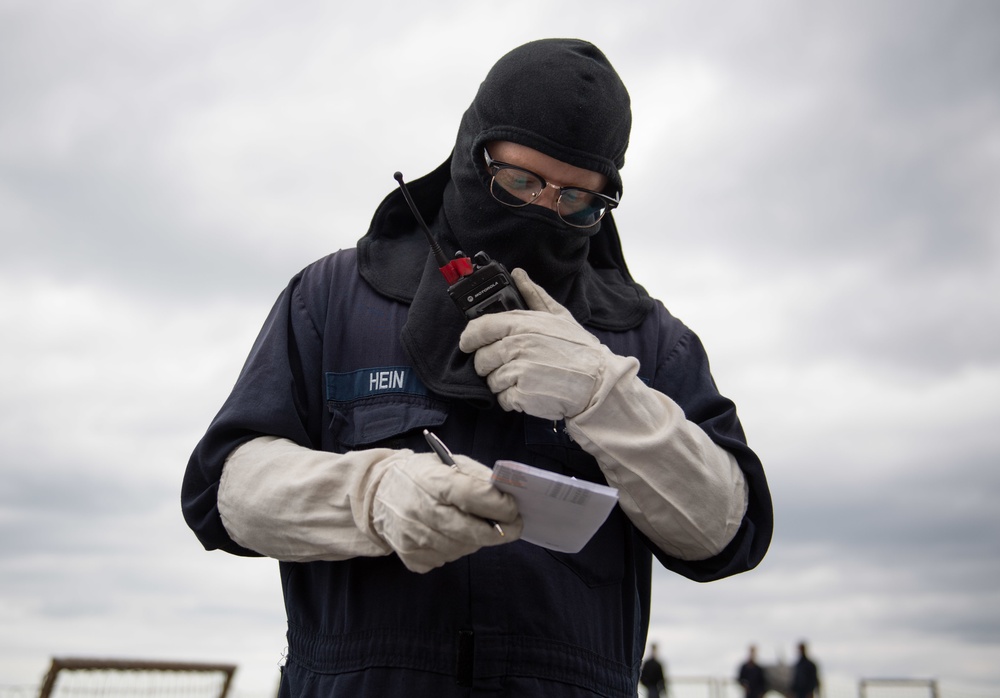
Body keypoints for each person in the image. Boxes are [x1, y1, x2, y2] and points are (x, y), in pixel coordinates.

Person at [182, 38, 772, 697]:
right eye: (519, 182)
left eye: (576, 199)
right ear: (472, 154)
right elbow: (224, 496)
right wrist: (370, 494)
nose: (544, 209)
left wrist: (607, 397)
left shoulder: (648, 338)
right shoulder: (334, 297)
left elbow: (726, 531)